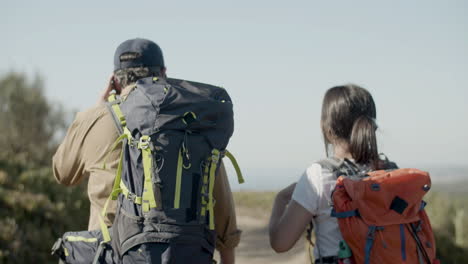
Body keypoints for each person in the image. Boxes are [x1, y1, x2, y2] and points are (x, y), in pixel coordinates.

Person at [53, 38, 240, 264]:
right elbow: (218, 197)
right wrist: (228, 255)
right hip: (181, 254)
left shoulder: (94, 118)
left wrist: (94, 111)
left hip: (110, 255)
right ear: (163, 74)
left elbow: (62, 173)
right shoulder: (186, 122)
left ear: (115, 80)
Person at [269, 84, 389, 263]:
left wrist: (280, 200)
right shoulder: (390, 171)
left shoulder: (318, 175)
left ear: (326, 128)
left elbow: (280, 243)